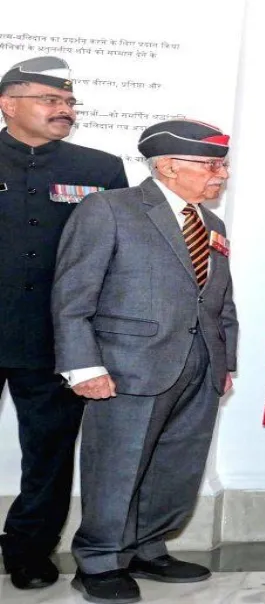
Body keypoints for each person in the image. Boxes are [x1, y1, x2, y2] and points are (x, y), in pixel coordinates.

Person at [52, 119, 238, 604]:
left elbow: (220, 300)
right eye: (211, 164)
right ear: (169, 166)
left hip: (199, 367)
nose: (221, 174)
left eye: (222, 164)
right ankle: (98, 561)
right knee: (116, 466)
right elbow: (72, 295)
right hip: (126, 368)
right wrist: (83, 366)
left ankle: (146, 548)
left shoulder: (210, 223)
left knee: (175, 466)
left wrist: (226, 361)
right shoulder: (110, 209)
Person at [0, 56, 128, 590]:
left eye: (70, 102)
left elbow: (118, 257)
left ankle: (29, 551)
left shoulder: (99, 168)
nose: (65, 110)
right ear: (8, 103)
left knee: (48, 458)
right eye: (51, 100)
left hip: (55, 340)